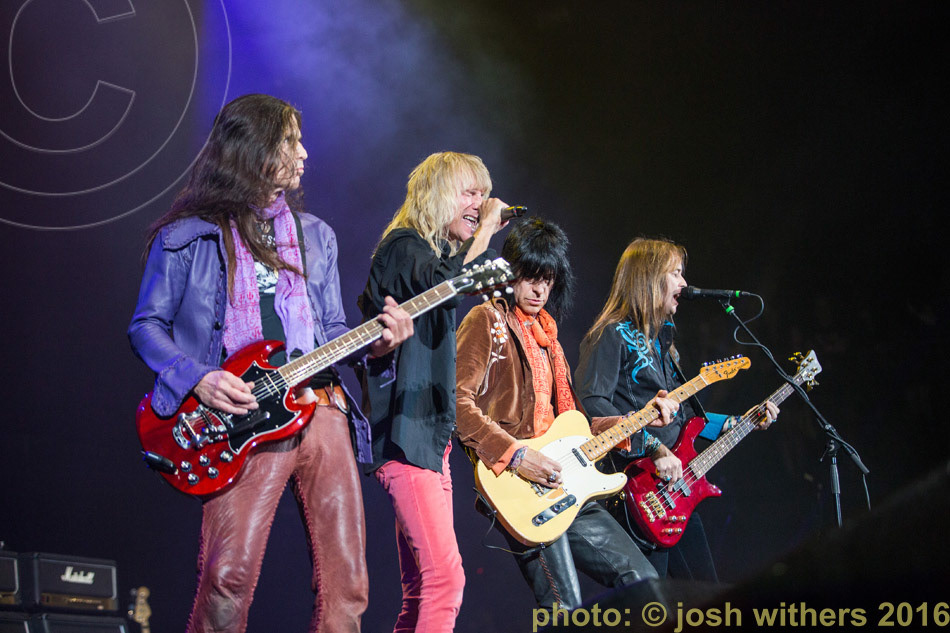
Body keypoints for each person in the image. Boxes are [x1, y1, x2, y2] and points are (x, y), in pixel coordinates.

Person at [128, 94, 413, 633]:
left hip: (320, 403)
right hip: (242, 414)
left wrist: (378, 345)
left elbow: (332, 331)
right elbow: (146, 326)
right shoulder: (186, 235)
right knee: (228, 579)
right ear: (254, 148)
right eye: (290, 141)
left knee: (348, 584)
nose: (304, 154)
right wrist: (200, 379)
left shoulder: (316, 237)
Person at [455, 218, 684, 610]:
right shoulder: (486, 320)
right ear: (511, 274)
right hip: (520, 486)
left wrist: (641, 419)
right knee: (565, 608)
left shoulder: (550, 340)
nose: (540, 290)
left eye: (548, 280)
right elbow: (456, 402)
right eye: (531, 278)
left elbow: (580, 426)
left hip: (568, 483)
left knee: (644, 582)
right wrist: (518, 455)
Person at [357, 151, 508, 632]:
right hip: (405, 439)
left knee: (422, 591)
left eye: (484, 195)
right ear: (438, 194)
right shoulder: (403, 247)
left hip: (428, 440)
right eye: (470, 192)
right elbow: (447, 284)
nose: (480, 204)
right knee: (445, 581)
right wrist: (486, 232)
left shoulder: (432, 257)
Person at [575, 236, 777, 581]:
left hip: (675, 490)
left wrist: (738, 422)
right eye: (676, 273)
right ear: (650, 278)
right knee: (653, 602)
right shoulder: (611, 334)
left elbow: (685, 421)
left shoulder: (664, 342)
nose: (684, 283)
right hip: (636, 490)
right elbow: (592, 406)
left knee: (706, 595)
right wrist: (652, 448)